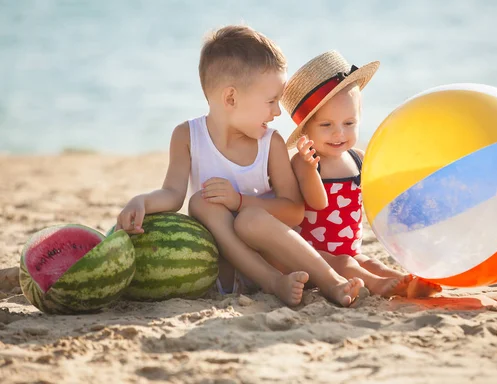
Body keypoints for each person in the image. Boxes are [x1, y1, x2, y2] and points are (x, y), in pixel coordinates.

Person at [115, 26, 364, 307]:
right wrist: (141, 202)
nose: (277, 112)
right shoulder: (186, 136)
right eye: (271, 101)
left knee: (250, 219)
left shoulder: (272, 143)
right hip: (225, 270)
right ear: (231, 98)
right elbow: (173, 195)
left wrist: (241, 201)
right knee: (201, 202)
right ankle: (272, 283)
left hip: (273, 254)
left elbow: (295, 212)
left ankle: (329, 280)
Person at [281, 50, 442, 298]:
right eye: (326, 125)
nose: (339, 134)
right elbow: (317, 202)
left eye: (349, 124)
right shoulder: (306, 162)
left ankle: (406, 282)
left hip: (351, 248)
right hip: (315, 255)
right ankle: (375, 285)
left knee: (371, 263)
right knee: (348, 265)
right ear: (306, 130)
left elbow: (378, 193)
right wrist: (311, 169)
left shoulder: (358, 158)